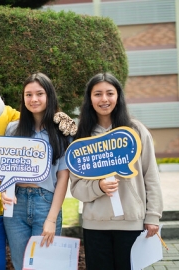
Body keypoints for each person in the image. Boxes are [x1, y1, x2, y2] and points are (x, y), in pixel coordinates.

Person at [70, 72, 163, 270]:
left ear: (118, 96)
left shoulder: (136, 131)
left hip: (131, 223)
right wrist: (99, 187)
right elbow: (76, 188)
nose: (104, 99)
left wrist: (153, 216)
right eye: (98, 94)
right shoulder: (82, 137)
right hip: (95, 226)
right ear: (89, 99)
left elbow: (151, 176)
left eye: (110, 93)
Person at [1, 72, 74, 270]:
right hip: (16, 206)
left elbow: (63, 176)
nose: (34, 99)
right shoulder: (12, 129)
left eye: (39, 94)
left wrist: (51, 219)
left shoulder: (61, 133)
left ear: (49, 96)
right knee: (21, 264)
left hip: (45, 203)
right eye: (28, 94)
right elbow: (4, 168)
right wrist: (3, 192)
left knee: (44, 265)